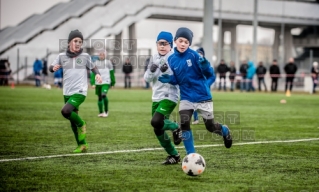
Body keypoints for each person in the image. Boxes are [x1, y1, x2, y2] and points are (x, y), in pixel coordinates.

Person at [158, 27, 232, 155]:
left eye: (186, 42)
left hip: (203, 96)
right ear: (175, 41)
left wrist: (205, 66)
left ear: (189, 44)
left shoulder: (194, 55)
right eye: (181, 41)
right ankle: (190, 154)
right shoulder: (171, 59)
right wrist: (169, 79)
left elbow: (209, 73)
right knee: (184, 122)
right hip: (186, 97)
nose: (183, 44)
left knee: (210, 127)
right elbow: (178, 79)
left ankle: (225, 131)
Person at [49, 29, 102, 153]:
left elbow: (93, 67)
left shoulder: (85, 56)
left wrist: (98, 74)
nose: (78, 43)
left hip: (80, 91)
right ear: (69, 43)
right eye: (75, 41)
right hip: (67, 91)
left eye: (80, 41)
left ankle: (82, 124)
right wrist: (53, 68)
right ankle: (82, 145)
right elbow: (51, 67)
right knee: (72, 120)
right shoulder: (61, 56)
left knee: (65, 111)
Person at [143, 31, 182, 164]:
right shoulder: (153, 57)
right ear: (157, 44)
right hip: (156, 97)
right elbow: (147, 79)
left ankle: (176, 127)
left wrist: (167, 70)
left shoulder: (175, 58)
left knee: (155, 121)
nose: (163, 46)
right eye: (160, 43)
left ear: (171, 46)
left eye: (166, 44)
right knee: (157, 128)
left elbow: (178, 77)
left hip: (170, 96)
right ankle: (174, 155)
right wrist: (151, 70)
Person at [192, 47, 216, 125]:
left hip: (205, 89)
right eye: (198, 53)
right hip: (195, 88)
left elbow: (212, 76)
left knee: (206, 104)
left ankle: (209, 119)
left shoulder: (207, 63)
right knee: (193, 103)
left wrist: (206, 84)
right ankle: (196, 119)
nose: (199, 55)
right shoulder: (192, 64)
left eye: (201, 53)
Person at [92, 51, 116, 117]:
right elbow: (93, 73)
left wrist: (113, 82)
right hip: (98, 82)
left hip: (106, 82)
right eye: (100, 54)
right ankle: (101, 112)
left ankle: (106, 111)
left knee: (103, 95)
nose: (101, 56)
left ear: (105, 55)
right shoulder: (95, 63)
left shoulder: (108, 62)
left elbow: (111, 73)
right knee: (99, 97)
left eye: (103, 54)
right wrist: (93, 83)